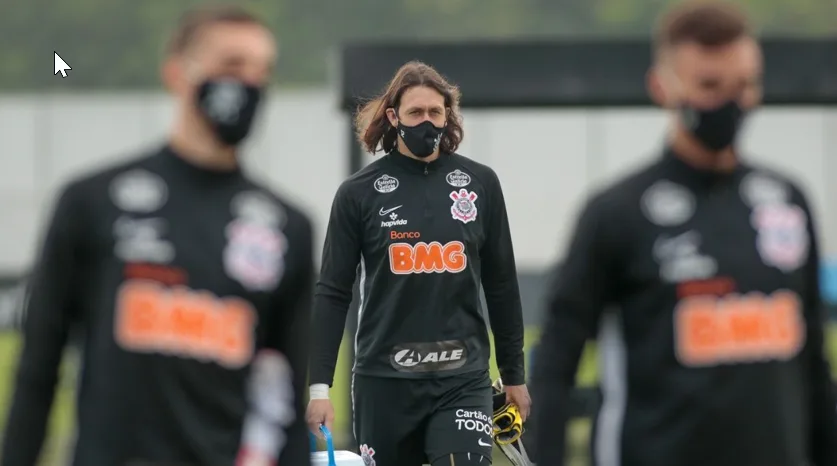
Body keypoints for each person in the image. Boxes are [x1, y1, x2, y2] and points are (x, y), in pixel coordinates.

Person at [1, 5, 313, 466]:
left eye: (261, 70)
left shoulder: (288, 227)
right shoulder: (93, 202)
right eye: (231, 65)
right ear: (177, 72)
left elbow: (284, 405)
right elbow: (38, 369)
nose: (247, 83)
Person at [531, 2, 837, 466]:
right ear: (663, 86)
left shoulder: (787, 201)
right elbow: (555, 363)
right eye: (710, 86)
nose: (731, 102)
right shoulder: (617, 213)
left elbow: (812, 362)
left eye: (744, 85)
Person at [306, 61, 531, 466]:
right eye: (415, 112)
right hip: (384, 382)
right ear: (394, 117)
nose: (426, 121)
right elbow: (333, 292)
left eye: (435, 112)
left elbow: (501, 284)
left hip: (463, 380)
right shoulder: (359, 193)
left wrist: (515, 374)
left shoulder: (480, 183)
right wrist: (319, 389)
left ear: (448, 115)